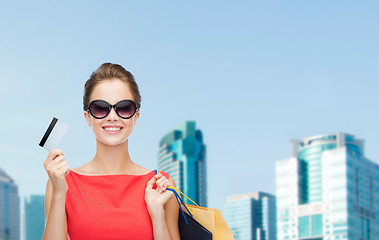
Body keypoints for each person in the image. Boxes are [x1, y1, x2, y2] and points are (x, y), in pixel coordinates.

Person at [42, 63, 180, 240]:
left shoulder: (161, 184)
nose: (113, 117)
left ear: (135, 116)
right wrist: (59, 193)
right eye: (100, 108)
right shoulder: (61, 183)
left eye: (124, 107)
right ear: (88, 117)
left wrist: (157, 215)